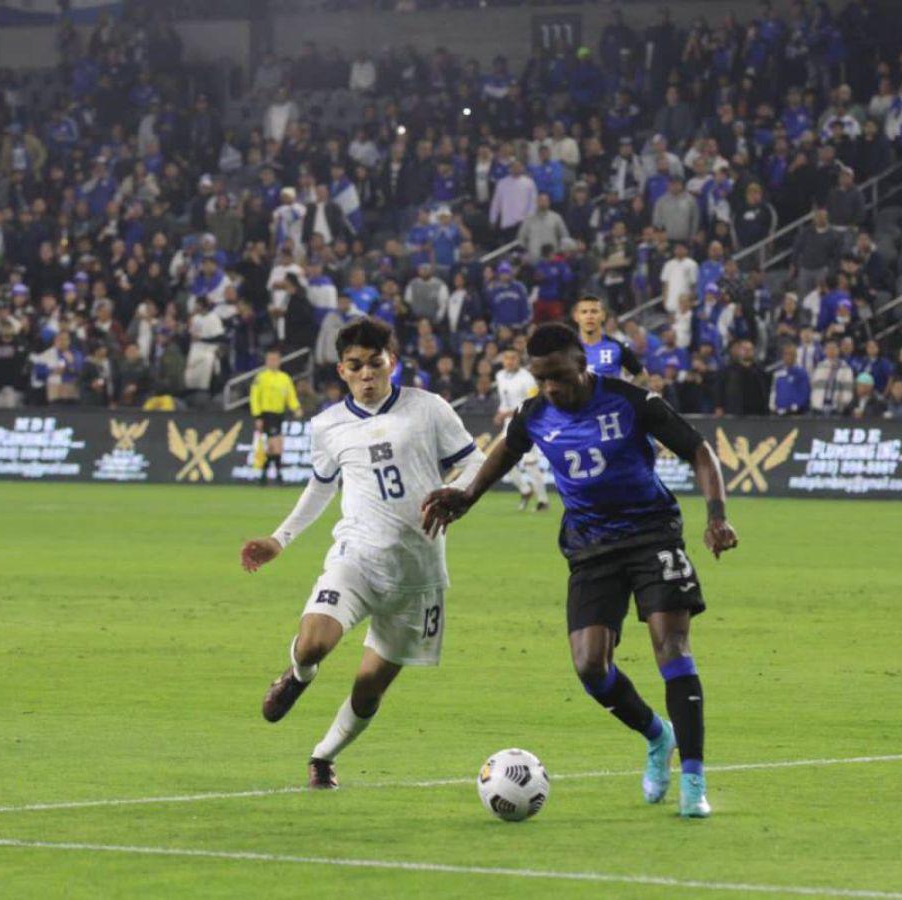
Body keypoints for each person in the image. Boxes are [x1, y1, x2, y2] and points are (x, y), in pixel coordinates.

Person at [421, 323, 738, 818]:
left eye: (560, 376)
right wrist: (466, 496)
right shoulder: (535, 414)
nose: (551, 388)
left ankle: (694, 783)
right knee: (590, 666)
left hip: (652, 533)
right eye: (541, 378)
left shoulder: (631, 401)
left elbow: (699, 451)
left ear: (582, 364)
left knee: (672, 647)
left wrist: (717, 517)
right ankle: (659, 737)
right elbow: (505, 451)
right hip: (590, 547)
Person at [240, 318, 484, 789]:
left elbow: (473, 462)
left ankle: (323, 756)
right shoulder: (328, 425)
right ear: (342, 371)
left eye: (376, 363)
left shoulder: (428, 409)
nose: (367, 373)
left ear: (392, 362)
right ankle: (296, 675)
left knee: (370, 687)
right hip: (356, 560)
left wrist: (457, 492)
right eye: (357, 366)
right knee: (314, 642)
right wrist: (278, 540)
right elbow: (319, 488)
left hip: (419, 574)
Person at [495, 346, 548, 512]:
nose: (509, 361)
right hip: (508, 423)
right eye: (506, 358)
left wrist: (507, 413)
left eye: (513, 358)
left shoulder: (527, 379)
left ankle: (543, 501)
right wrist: (500, 413)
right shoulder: (500, 376)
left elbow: (533, 402)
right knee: (502, 461)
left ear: (519, 360)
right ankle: (525, 490)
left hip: (526, 421)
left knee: (530, 462)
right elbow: (505, 400)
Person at [249, 348, 303, 485]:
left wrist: (296, 408)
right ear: (266, 361)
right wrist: (258, 417)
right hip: (266, 414)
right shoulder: (261, 378)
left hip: (279, 414)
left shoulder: (285, 378)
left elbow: (290, 396)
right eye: (270, 359)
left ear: (279, 361)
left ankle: (263, 476)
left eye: (275, 359)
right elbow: (255, 398)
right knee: (276, 445)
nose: (273, 362)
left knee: (274, 447)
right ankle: (278, 476)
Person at [572, 294, 645, 383]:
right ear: (576, 317)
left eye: (594, 311)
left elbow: (642, 374)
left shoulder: (617, 346)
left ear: (603, 316)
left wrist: (626, 393)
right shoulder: (568, 349)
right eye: (584, 312)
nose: (589, 316)